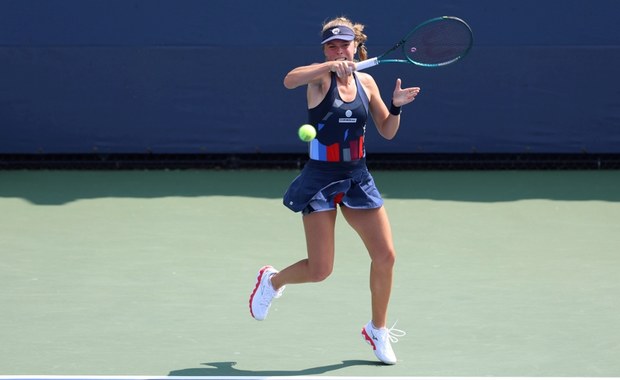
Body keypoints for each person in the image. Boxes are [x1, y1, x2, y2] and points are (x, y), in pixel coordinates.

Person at [248, 16, 420, 365]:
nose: (339, 49)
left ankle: (377, 330)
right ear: (325, 49)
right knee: (320, 270)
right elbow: (288, 80)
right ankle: (272, 281)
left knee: (386, 256)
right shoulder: (318, 78)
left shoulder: (368, 82)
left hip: (357, 175)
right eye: (331, 45)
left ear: (356, 46)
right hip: (320, 177)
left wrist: (397, 105)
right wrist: (328, 65)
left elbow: (387, 130)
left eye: (344, 44)